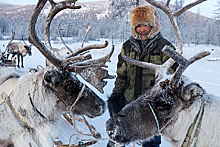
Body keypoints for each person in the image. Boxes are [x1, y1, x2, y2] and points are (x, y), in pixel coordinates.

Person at [107, 5, 178, 147]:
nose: (142, 29)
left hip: (151, 107)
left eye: (146, 25)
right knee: (117, 138)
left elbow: (173, 78)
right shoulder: (127, 46)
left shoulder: (166, 47)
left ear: (154, 26)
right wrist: (116, 97)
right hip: (129, 102)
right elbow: (121, 75)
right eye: (138, 26)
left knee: (150, 142)